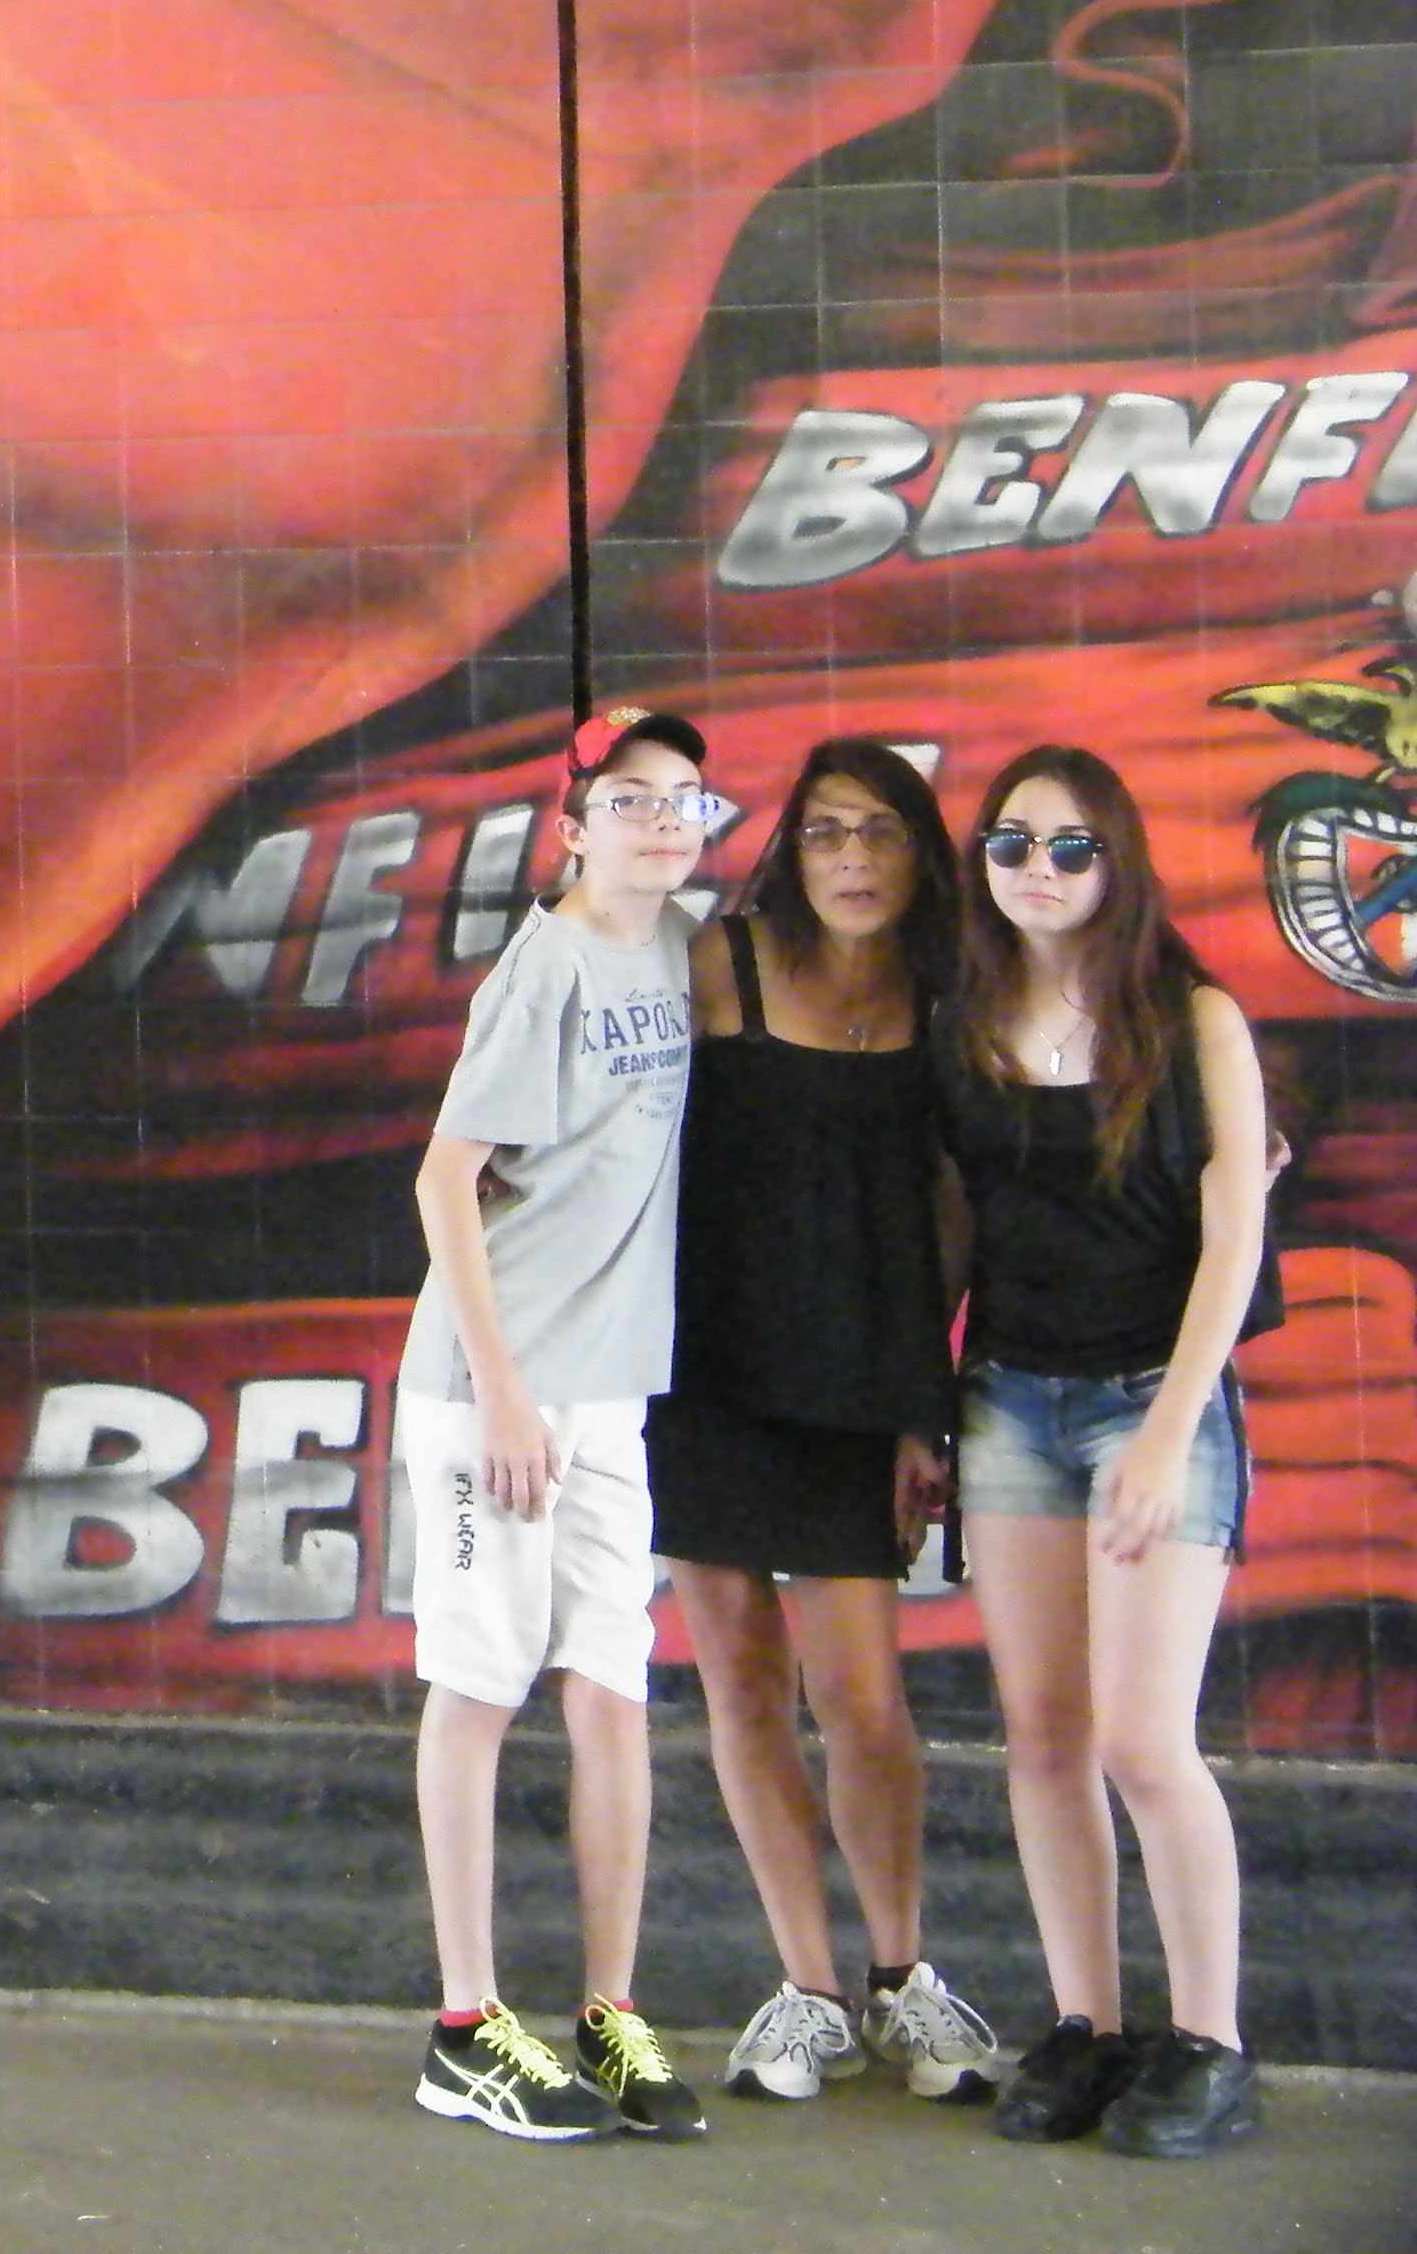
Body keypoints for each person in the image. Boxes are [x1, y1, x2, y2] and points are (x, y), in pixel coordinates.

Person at [652, 741, 1005, 2107]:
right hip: (702, 1369)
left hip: (863, 1374)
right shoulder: (721, 963)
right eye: (825, 832)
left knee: (863, 1700)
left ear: (922, 855)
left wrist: (926, 1404)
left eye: (881, 833)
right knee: (743, 1686)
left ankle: (903, 1977)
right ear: (791, 851)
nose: (852, 859)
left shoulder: (948, 996)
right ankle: (806, 1990)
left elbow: (952, 1214)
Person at [941, 745, 1274, 2159]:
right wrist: (923, 1409)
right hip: (1009, 1401)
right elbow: (953, 1224)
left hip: (1154, 1399)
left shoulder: (1194, 1018)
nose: (1040, 870)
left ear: (1117, 862)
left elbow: (1234, 1235)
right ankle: (1088, 2026)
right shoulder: (965, 1021)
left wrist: (1169, 1427)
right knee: (1045, 1737)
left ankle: (1210, 2044)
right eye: (1014, 844)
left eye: (1072, 847)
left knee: (1143, 1740)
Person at [401, 704, 719, 2142]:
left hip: (610, 1386)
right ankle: (464, 2029)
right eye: (631, 798)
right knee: (480, 1692)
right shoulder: (545, 973)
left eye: (684, 797)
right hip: (500, 1394)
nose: (662, 819)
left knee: (609, 1691)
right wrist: (504, 1393)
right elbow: (443, 1180)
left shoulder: (677, 942)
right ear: (575, 825)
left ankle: (609, 2011)